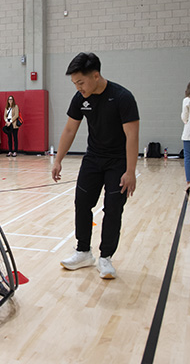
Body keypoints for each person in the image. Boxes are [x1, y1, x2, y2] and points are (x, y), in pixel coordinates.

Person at [52, 52, 140, 279]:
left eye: (80, 82)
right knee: (82, 203)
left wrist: (130, 172)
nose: (78, 87)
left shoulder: (122, 97)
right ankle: (83, 252)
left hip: (117, 162)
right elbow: (70, 129)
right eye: (74, 83)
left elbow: (132, 136)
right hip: (93, 159)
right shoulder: (81, 98)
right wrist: (58, 159)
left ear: (96, 75)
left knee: (113, 209)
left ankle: (105, 258)